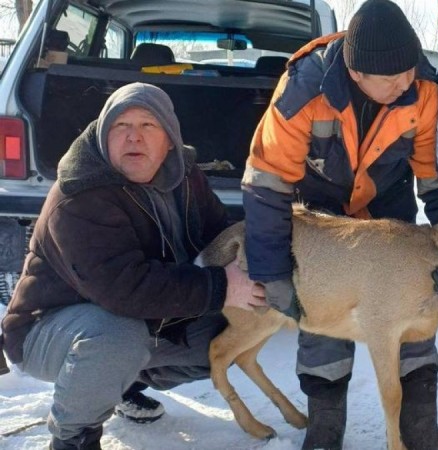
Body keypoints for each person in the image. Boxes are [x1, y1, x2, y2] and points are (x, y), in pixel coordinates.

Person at [242, 1, 438, 449]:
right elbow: (266, 184)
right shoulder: (303, 89)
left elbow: (435, 183)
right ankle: (325, 425)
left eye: (409, 72)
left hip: (388, 213)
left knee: (415, 310)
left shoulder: (423, 89)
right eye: (390, 78)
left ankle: (420, 426)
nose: (404, 84)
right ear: (356, 73)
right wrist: (272, 272)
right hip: (320, 214)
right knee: (320, 319)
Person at [0, 82, 265, 450]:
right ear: (103, 135)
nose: (133, 138)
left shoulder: (183, 176)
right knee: (118, 337)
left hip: (127, 315)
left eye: (148, 126)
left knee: (224, 338)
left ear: (169, 140)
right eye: (120, 127)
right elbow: (123, 289)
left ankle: (120, 385)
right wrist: (221, 286)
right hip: (46, 329)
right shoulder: (80, 194)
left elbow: (217, 231)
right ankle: (73, 437)